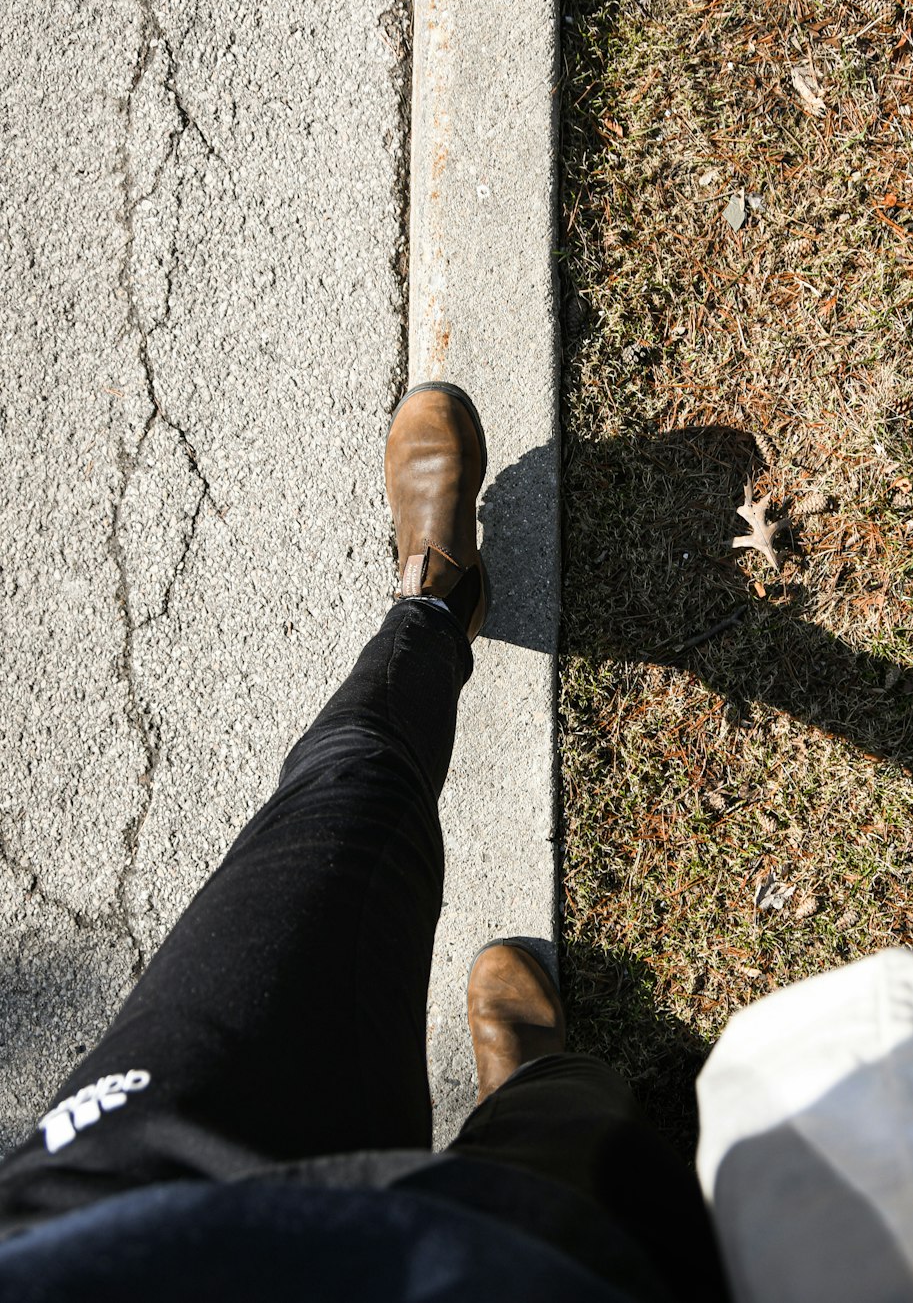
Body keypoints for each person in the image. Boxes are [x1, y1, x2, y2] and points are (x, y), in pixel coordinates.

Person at [0, 383, 729, 1302]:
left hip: (102, 1219)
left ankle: (435, 604)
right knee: (565, 1178)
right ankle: (529, 1096)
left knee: (345, 796)